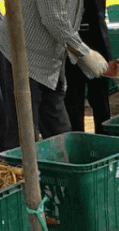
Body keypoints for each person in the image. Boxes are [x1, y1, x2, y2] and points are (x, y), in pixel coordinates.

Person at [0, 0, 109, 152]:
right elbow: (53, 18)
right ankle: (18, 165)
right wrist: (84, 52)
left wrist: (82, 57)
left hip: (50, 64)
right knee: (23, 133)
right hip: (21, 55)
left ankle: (61, 166)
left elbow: (68, 18)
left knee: (59, 131)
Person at [64, 0, 112, 134]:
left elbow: (99, 15)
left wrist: (107, 53)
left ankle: (103, 139)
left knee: (101, 100)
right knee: (73, 100)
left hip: (97, 41)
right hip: (70, 43)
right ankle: (76, 140)